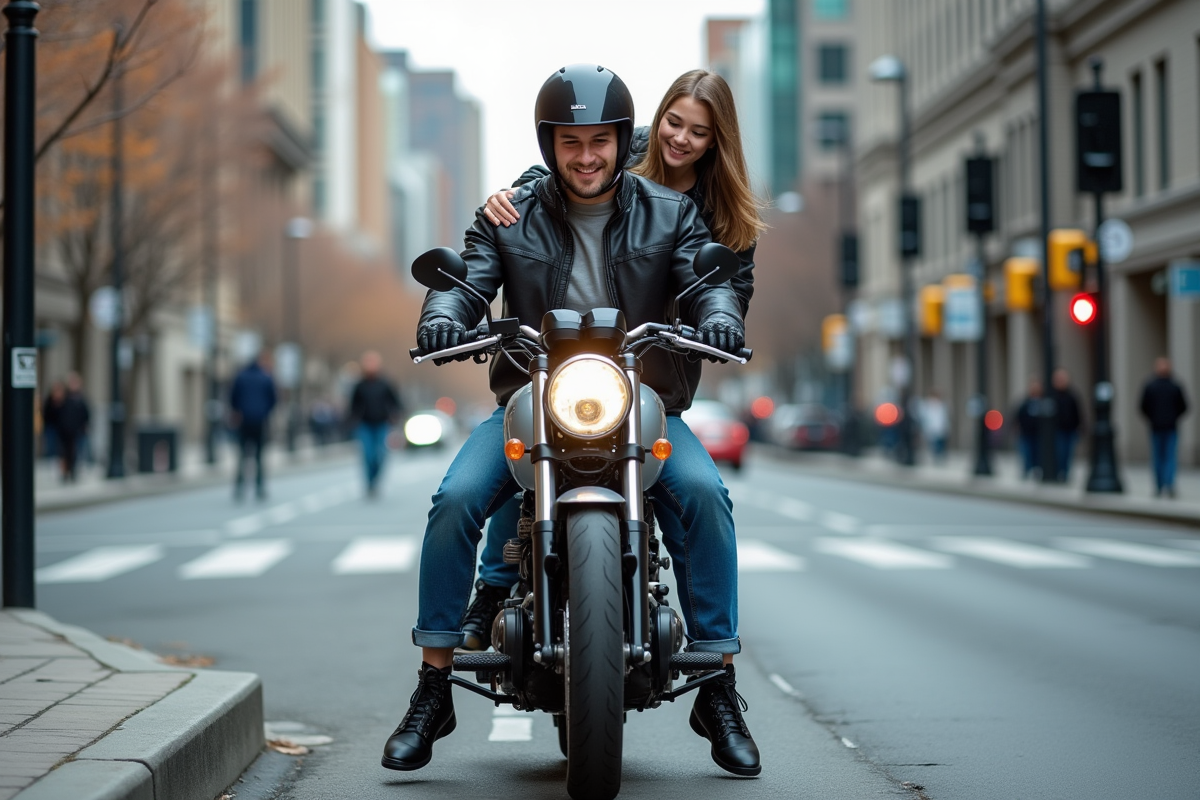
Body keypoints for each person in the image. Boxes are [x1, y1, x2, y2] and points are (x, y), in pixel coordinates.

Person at [382, 64, 760, 778]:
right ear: (549, 144)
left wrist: (716, 317)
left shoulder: (670, 212)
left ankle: (719, 687)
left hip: (636, 401)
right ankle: (434, 686)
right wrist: (441, 318)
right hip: (532, 394)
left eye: (600, 142)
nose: (586, 157)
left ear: (622, 141)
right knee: (455, 500)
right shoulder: (511, 213)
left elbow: (707, 280)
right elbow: (467, 281)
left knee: (708, 498)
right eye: (570, 142)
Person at [466, 67, 762, 651]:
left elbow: (729, 290)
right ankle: (493, 587)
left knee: (698, 499)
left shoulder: (722, 217)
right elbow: (565, 172)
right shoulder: (623, 155)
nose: (680, 139)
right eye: (673, 123)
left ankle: (712, 665)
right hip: (564, 368)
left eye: (698, 133)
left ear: (717, 142)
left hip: (649, 372)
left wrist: (720, 320)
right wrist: (513, 194)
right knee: (519, 455)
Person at [347, 350, 404, 497]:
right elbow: (353, 405)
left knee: (381, 455)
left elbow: (395, 401)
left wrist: (396, 414)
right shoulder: (359, 385)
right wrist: (352, 419)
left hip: (382, 424)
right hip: (365, 425)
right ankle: (370, 482)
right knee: (368, 455)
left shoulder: (385, 383)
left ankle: (376, 479)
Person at [229, 351, 277, 501]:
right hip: (260, 421)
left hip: (244, 420)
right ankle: (259, 487)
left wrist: (238, 411)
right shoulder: (266, 377)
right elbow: (273, 399)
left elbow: (233, 398)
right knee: (259, 456)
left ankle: (239, 488)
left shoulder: (240, 376)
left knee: (242, 455)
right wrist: (265, 412)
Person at [1139, 356, 1188, 498]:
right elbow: (1143, 406)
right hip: (1157, 427)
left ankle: (1168, 484)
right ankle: (1161, 485)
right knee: (1159, 457)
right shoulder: (1151, 386)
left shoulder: (1175, 386)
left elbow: (1183, 406)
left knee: (1169, 457)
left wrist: (1173, 417)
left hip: (1170, 427)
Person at [55, 373, 90, 482]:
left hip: (76, 431)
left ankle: (72, 471)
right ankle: (65, 472)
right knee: (63, 452)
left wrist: (84, 426)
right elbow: (55, 412)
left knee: (74, 452)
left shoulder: (80, 399)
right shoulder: (63, 397)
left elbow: (86, 414)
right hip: (63, 430)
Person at [1051, 367, 1083, 482]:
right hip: (1058, 430)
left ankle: (1065, 474)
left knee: (1068, 454)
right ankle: (1060, 472)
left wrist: (1080, 427)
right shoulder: (1051, 396)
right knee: (1060, 452)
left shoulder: (1072, 395)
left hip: (1070, 429)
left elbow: (1078, 413)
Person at [1015, 377, 1043, 479]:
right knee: (1026, 454)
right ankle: (1026, 471)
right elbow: (1017, 416)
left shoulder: (1044, 401)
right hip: (1026, 434)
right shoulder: (1025, 402)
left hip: (1039, 435)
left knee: (1038, 455)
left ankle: (1037, 471)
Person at [920, 390, 949, 462]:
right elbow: (925, 417)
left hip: (940, 428)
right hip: (932, 428)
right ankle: (936, 457)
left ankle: (939, 456)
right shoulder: (927, 405)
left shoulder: (942, 406)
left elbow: (944, 417)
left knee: (940, 443)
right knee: (934, 444)